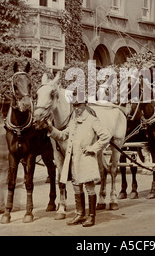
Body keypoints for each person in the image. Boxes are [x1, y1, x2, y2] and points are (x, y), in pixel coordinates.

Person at [45, 94, 112, 227]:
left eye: (79, 105)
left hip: (86, 160)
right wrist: (50, 128)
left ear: (85, 105)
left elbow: (106, 136)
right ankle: (80, 214)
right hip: (74, 160)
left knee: (89, 188)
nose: (76, 109)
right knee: (76, 187)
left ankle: (91, 217)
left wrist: (93, 148)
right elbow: (63, 135)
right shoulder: (73, 122)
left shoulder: (93, 120)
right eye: (74, 106)